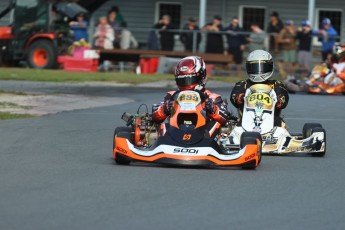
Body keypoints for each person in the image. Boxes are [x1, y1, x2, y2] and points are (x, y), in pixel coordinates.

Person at [152, 56, 229, 125]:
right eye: (182, 80)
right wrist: (165, 108)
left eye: (190, 79)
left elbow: (225, 118)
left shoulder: (212, 98)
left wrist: (213, 108)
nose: (187, 84)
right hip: (176, 134)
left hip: (205, 135)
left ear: (202, 77)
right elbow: (155, 116)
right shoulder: (171, 96)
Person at [230, 50, 289, 127]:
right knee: (235, 126)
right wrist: (240, 97)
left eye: (263, 67)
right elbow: (234, 98)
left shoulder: (276, 85)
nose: (259, 71)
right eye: (254, 67)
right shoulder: (243, 84)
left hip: (271, 121)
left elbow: (283, 101)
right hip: (246, 120)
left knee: (280, 124)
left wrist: (279, 100)